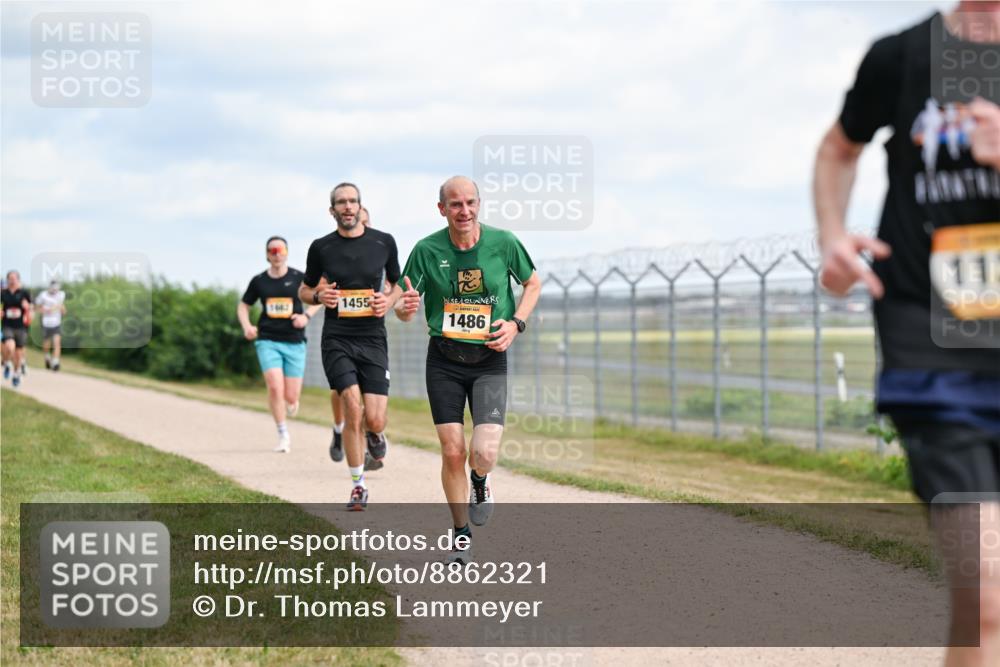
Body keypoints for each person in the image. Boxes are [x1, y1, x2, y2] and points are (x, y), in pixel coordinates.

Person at [813, 4, 1000, 664]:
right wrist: (833, 235)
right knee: (986, 593)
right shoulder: (901, 56)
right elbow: (840, 147)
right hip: (934, 351)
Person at [396, 176, 541, 564]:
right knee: (452, 450)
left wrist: (516, 324)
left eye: (471, 203)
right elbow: (403, 299)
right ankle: (461, 536)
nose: (465, 211)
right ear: (441, 209)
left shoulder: (503, 243)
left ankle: (480, 481)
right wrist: (403, 308)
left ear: (480, 204)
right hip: (443, 359)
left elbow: (532, 283)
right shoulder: (427, 249)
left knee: (485, 452)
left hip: (490, 359)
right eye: (456, 205)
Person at [299, 184, 402, 511]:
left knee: (375, 417)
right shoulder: (321, 247)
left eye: (352, 201)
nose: (347, 207)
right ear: (332, 211)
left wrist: (387, 301)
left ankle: (377, 434)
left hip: (372, 338)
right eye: (341, 202)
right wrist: (319, 296)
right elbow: (304, 289)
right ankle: (358, 485)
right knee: (352, 408)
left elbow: (399, 284)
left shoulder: (383, 242)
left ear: (360, 207)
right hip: (337, 338)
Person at [238, 236, 321, 453]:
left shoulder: (299, 278)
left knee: (291, 396)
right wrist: (247, 326)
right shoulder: (259, 281)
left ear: (286, 252)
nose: (276, 254)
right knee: (275, 386)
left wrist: (306, 316)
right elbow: (243, 306)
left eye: (280, 249)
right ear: (267, 255)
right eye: (272, 250)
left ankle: (292, 402)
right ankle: (283, 433)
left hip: (294, 340)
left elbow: (319, 298)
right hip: (267, 339)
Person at [329, 205, 374, 463]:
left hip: (371, 334)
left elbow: (394, 288)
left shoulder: (379, 250)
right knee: (344, 394)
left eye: (367, 223)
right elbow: (318, 287)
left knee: (371, 398)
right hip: (341, 337)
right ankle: (339, 429)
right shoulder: (334, 252)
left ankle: (368, 442)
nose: (363, 227)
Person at [2, 270, 32, 388]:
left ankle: (16, 374)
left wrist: (28, 306)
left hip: (20, 326)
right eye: (10, 278)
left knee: (18, 354)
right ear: (7, 280)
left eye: (14, 278)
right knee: (10, 346)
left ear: (18, 279)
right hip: (7, 325)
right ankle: (7, 363)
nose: (12, 280)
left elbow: (32, 307)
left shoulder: (24, 293)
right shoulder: (3, 293)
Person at [35, 280, 66, 371]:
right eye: (53, 289)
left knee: (57, 342)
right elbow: (37, 307)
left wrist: (62, 309)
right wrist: (44, 310)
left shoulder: (61, 295)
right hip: (46, 322)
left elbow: (62, 308)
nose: (55, 291)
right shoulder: (43, 295)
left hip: (56, 322)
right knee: (47, 343)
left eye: (56, 289)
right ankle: (47, 357)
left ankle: (55, 362)